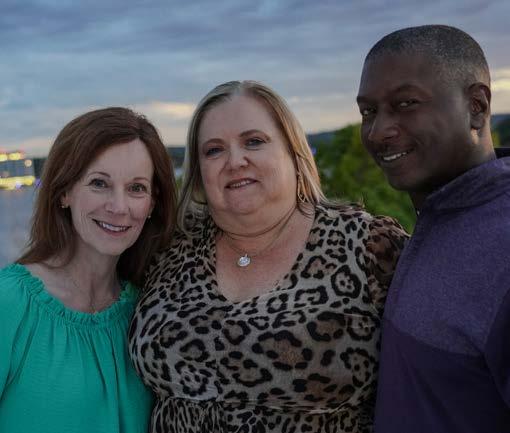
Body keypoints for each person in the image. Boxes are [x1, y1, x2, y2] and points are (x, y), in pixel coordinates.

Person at [129, 80, 408, 433]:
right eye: (214, 150)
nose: (235, 161)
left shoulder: (368, 246)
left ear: (293, 151)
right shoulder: (166, 250)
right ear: (199, 172)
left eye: (254, 142)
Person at [356, 25, 510, 432]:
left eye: (406, 103)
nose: (378, 131)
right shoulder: (440, 217)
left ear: (476, 106)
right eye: (368, 111)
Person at [0, 107, 177, 433]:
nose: (119, 207)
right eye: (99, 183)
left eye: (136, 188)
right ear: (64, 192)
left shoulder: (150, 314)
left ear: (152, 204)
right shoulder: (9, 303)